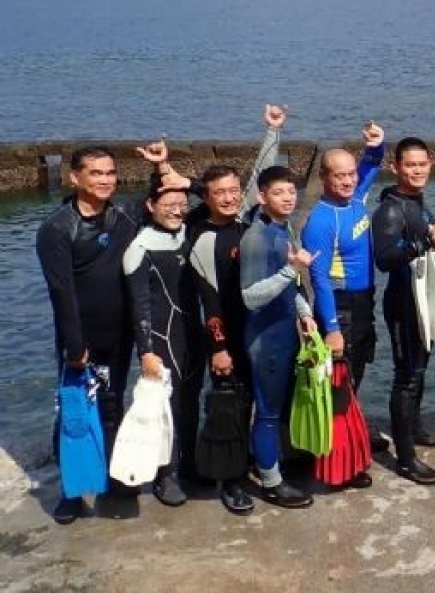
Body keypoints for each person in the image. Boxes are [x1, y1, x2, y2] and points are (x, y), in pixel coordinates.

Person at [38, 141, 184, 524]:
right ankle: (72, 492)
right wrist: (74, 346)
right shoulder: (57, 228)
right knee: (73, 411)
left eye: (111, 173)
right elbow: (61, 293)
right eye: (96, 173)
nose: (105, 180)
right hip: (82, 336)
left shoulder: (124, 213)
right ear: (75, 177)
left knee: (115, 404)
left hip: (125, 332)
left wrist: (160, 167)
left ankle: (118, 479)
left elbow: (171, 198)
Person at [184, 103, 287, 514]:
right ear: (205, 198)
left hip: (257, 331)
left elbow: (260, 176)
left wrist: (273, 133)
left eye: (232, 191)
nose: (229, 198)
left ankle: (260, 463)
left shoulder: (245, 219)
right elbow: (209, 300)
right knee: (230, 406)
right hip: (225, 333)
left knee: (258, 402)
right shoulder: (202, 238)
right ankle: (230, 481)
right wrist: (218, 348)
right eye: (219, 193)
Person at [301, 121, 385, 461]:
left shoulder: (356, 198)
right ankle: (336, 456)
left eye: (351, 173)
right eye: (340, 176)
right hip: (340, 306)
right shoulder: (321, 221)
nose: (349, 180)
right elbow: (319, 281)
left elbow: (372, 165)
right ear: (324, 177)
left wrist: (377, 144)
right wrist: (332, 329)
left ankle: (353, 434)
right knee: (338, 382)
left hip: (364, 302)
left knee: (357, 374)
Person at [371, 137, 435, 485]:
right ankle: (404, 458)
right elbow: (386, 258)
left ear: (430, 164)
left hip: (421, 301)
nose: (417, 170)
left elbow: (425, 243)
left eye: (422, 164)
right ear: (396, 167)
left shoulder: (417, 203)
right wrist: (428, 241)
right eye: (410, 165)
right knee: (407, 377)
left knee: (420, 370)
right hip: (403, 305)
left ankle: (415, 428)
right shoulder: (391, 208)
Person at [240, 166, 318, 508]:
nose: (287, 198)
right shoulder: (256, 238)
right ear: (262, 197)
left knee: (283, 406)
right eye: (278, 193)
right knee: (268, 412)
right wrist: (292, 270)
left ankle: (280, 464)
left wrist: (304, 312)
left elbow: (291, 286)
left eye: (291, 192)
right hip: (266, 339)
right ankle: (270, 482)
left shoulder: (283, 228)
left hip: (287, 332)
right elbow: (251, 296)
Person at [123, 183, 202, 508]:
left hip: (193, 334)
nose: (177, 210)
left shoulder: (190, 233)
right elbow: (138, 304)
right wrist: (146, 351)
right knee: (164, 407)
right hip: (161, 337)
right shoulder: (139, 247)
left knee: (190, 400)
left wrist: (186, 183)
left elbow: (230, 191)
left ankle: (190, 463)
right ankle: (164, 473)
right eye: (168, 204)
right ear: (150, 205)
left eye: (182, 203)